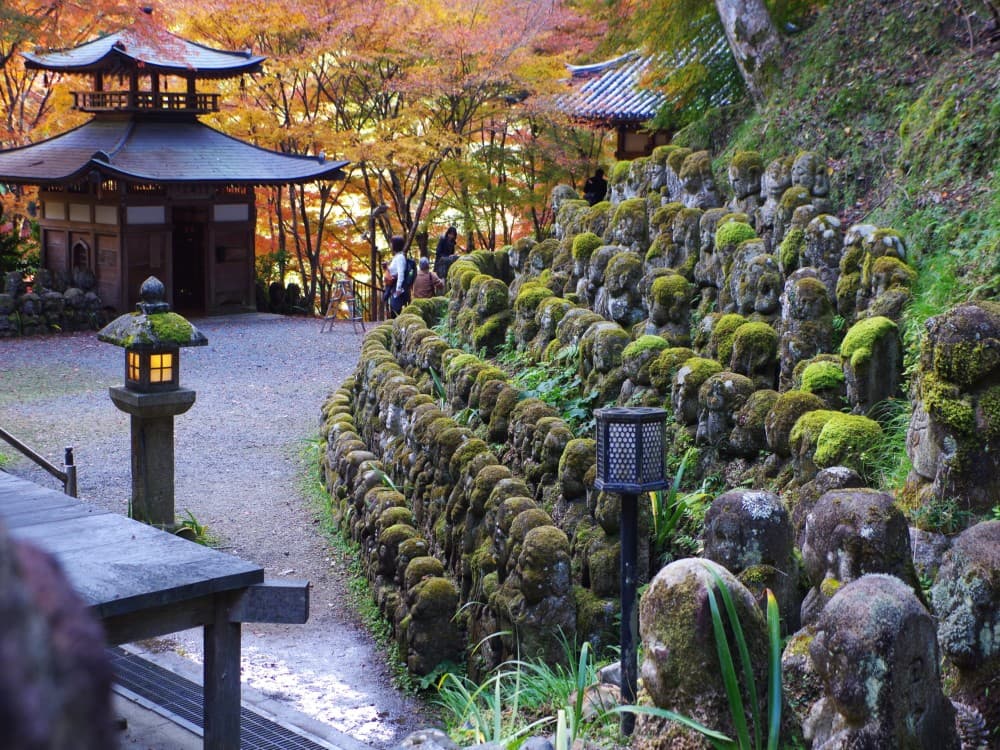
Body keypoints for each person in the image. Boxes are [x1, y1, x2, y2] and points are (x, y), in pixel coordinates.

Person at [387, 235, 409, 317]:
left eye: (391, 243)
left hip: (398, 287)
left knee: (395, 310)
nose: (390, 245)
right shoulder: (397, 257)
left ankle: (396, 328)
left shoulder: (400, 257)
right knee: (394, 309)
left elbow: (400, 273)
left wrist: (398, 288)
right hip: (394, 286)